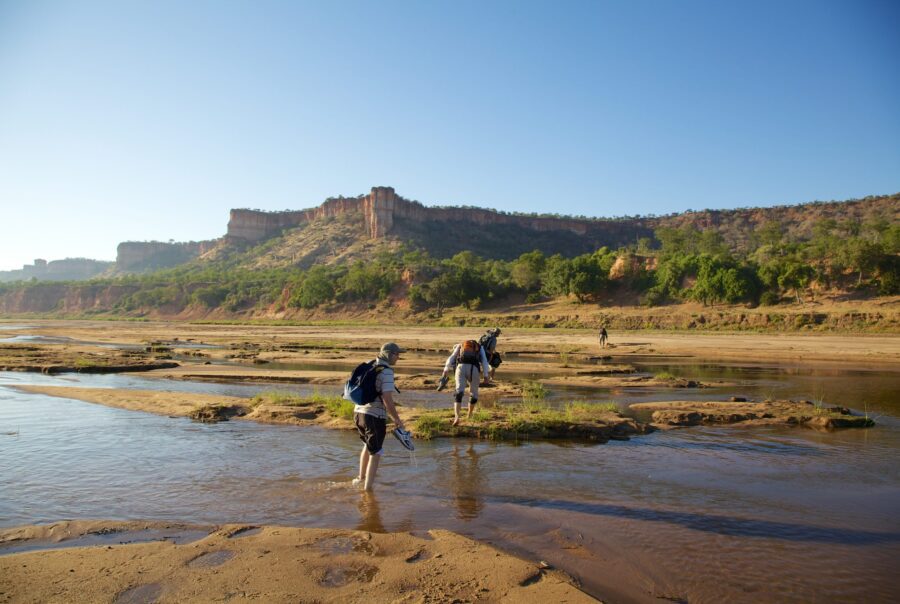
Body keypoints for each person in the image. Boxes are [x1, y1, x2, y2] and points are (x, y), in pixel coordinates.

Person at [352, 342, 407, 491]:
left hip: (358, 413)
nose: (398, 357)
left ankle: (360, 479)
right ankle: (368, 491)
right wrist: (397, 419)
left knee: (367, 446)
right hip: (374, 416)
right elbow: (387, 398)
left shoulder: (370, 365)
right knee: (376, 453)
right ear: (390, 354)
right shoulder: (387, 371)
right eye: (397, 355)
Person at [439, 337, 491, 426]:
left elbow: (452, 357)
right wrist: (486, 376)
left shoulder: (459, 346)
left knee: (459, 392)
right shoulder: (479, 347)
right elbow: (484, 362)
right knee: (473, 394)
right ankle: (469, 415)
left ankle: (457, 417)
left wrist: (446, 370)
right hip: (474, 369)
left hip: (461, 368)